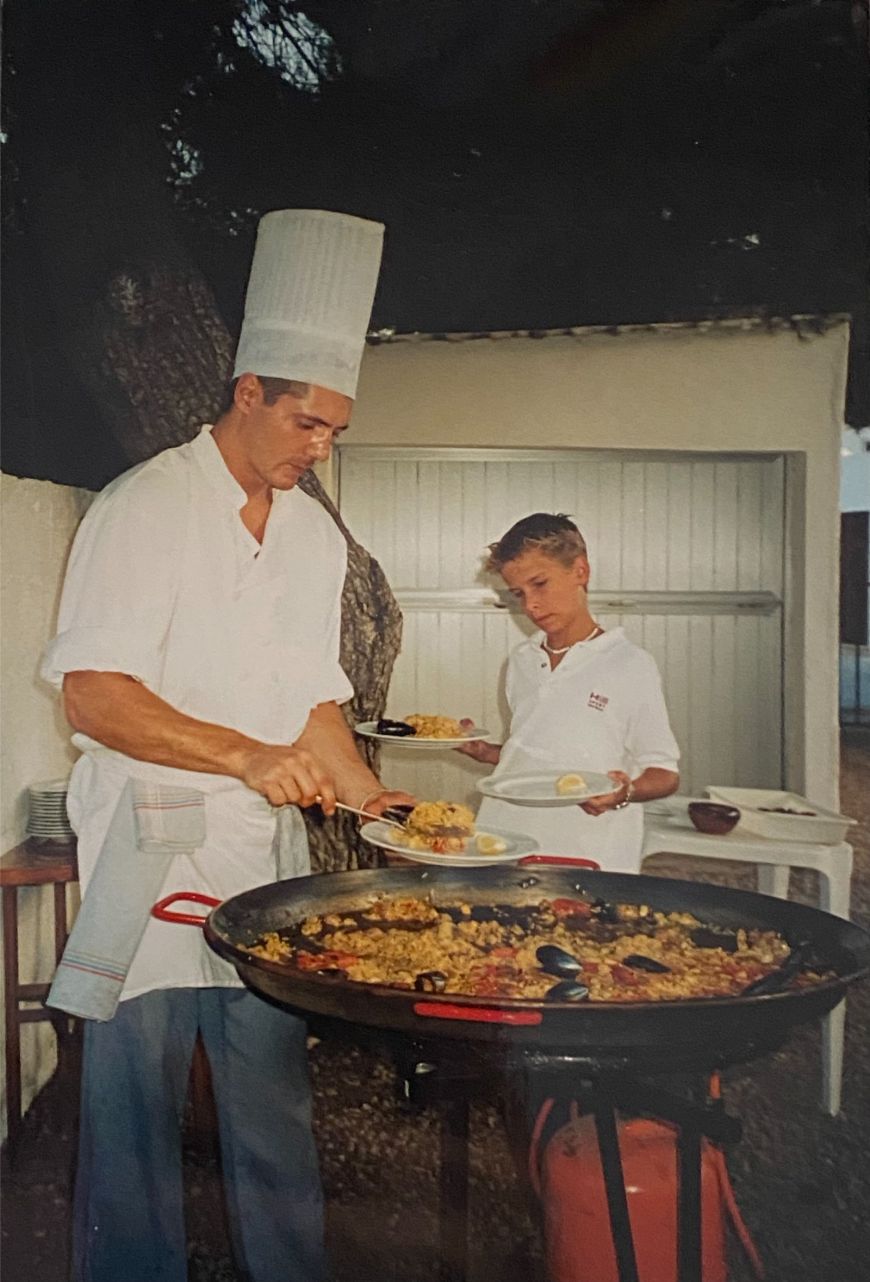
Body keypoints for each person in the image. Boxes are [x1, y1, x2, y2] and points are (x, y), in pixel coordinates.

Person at [41, 209, 412, 1282]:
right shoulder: (144, 506)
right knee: (133, 1132)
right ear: (245, 392)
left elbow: (309, 701)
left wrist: (376, 799)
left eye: (336, 430)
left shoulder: (308, 536)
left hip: (256, 872)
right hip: (144, 858)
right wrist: (245, 757)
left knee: (272, 1118)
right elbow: (94, 696)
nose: (320, 448)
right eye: (306, 422)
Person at [457, 512, 679, 871]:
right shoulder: (522, 660)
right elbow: (542, 755)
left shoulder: (630, 664)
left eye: (539, 584)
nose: (530, 605)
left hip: (589, 850)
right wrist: (486, 752)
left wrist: (625, 792)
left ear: (580, 571)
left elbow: (665, 773)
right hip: (506, 839)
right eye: (518, 593)